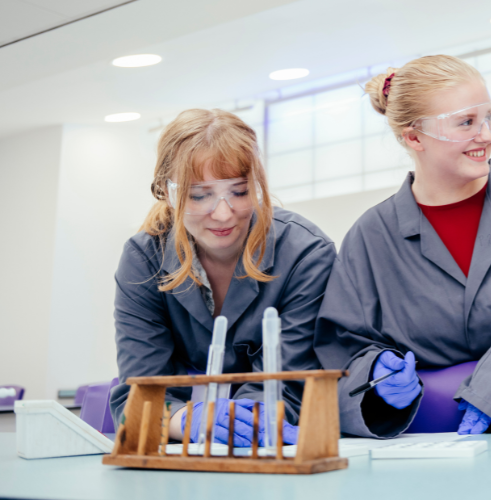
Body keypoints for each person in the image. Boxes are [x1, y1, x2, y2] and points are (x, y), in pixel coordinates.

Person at [310, 55, 491, 438]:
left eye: (489, 116)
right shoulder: (371, 235)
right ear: (413, 137)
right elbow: (340, 350)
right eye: (467, 122)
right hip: (422, 446)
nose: (487, 134)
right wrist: (377, 373)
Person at [111, 109, 336, 446]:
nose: (223, 212)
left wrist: (241, 418)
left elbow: (288, 384)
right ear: (166, 192)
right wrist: (186, 419)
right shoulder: (144, 259)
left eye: (240, 192)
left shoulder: (305, 253)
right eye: (200, 195)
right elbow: (142, 393)